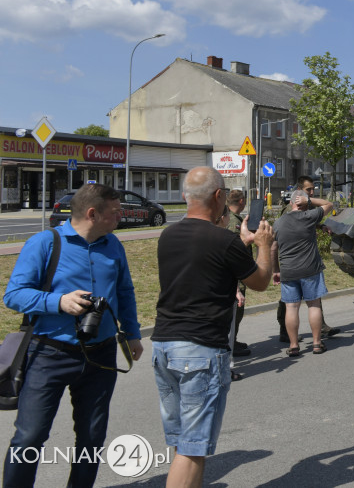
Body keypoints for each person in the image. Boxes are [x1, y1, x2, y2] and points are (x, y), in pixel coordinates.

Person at [3, 183, 144, 488]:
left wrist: (132, 333)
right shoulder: (45, 243)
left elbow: (125, 291)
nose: (120, 217)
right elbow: (13, 295)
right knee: (29, 437)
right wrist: (59, 302)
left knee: (92, 437)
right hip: (49, 354)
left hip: (101, 355)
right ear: (93, 214)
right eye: (115, 212)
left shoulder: (113, 244)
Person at [151, 167, 275, 488]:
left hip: (164, 345)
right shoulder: (224, 240)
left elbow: (206, 267)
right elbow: (260, 281)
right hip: (201, 350)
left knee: (182, 442)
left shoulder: (168, 235)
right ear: (219, 196)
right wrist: (263, 245)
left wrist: (241, 242)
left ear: (185, 197)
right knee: (193, 449)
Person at [276, 176, 340, 342]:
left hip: (298, 263)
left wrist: (319, 226)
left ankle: (317, 329)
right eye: (308, 190)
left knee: (310, 300)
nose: (311, 192)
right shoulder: (290, 208)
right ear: (299, 191)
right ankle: (286, 330)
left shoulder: (307, 206)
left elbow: (304, 221)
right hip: (295, 261)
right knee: (292, 302)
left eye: (313, 189)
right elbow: (292, 225)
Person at [225, 190, 250, 361]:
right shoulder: (233, 221)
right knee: (236, 311)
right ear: (241, 201)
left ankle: (232, 340)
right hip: (235, 273)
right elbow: (233, 250)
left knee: (237, 311)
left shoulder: (234, 218)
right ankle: (230, 344)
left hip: (237, 272)